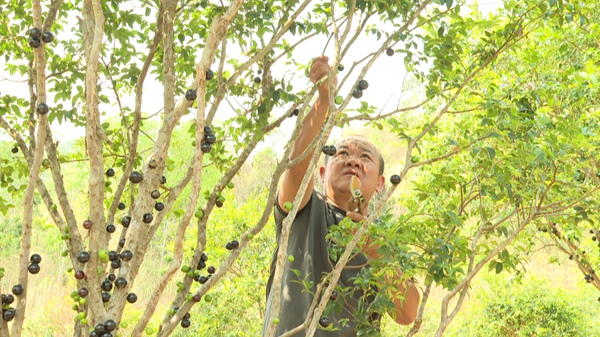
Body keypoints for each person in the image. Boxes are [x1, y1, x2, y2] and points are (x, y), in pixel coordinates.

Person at [263, 56, 420, 336]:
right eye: (342, 153)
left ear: (381, 183)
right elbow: (297, 167)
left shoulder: (385, 241)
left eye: (364, 156)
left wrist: (374, 248)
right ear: (322, 173)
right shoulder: (306, 212)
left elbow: (407, 313)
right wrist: (324, 102)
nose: (353, 160)